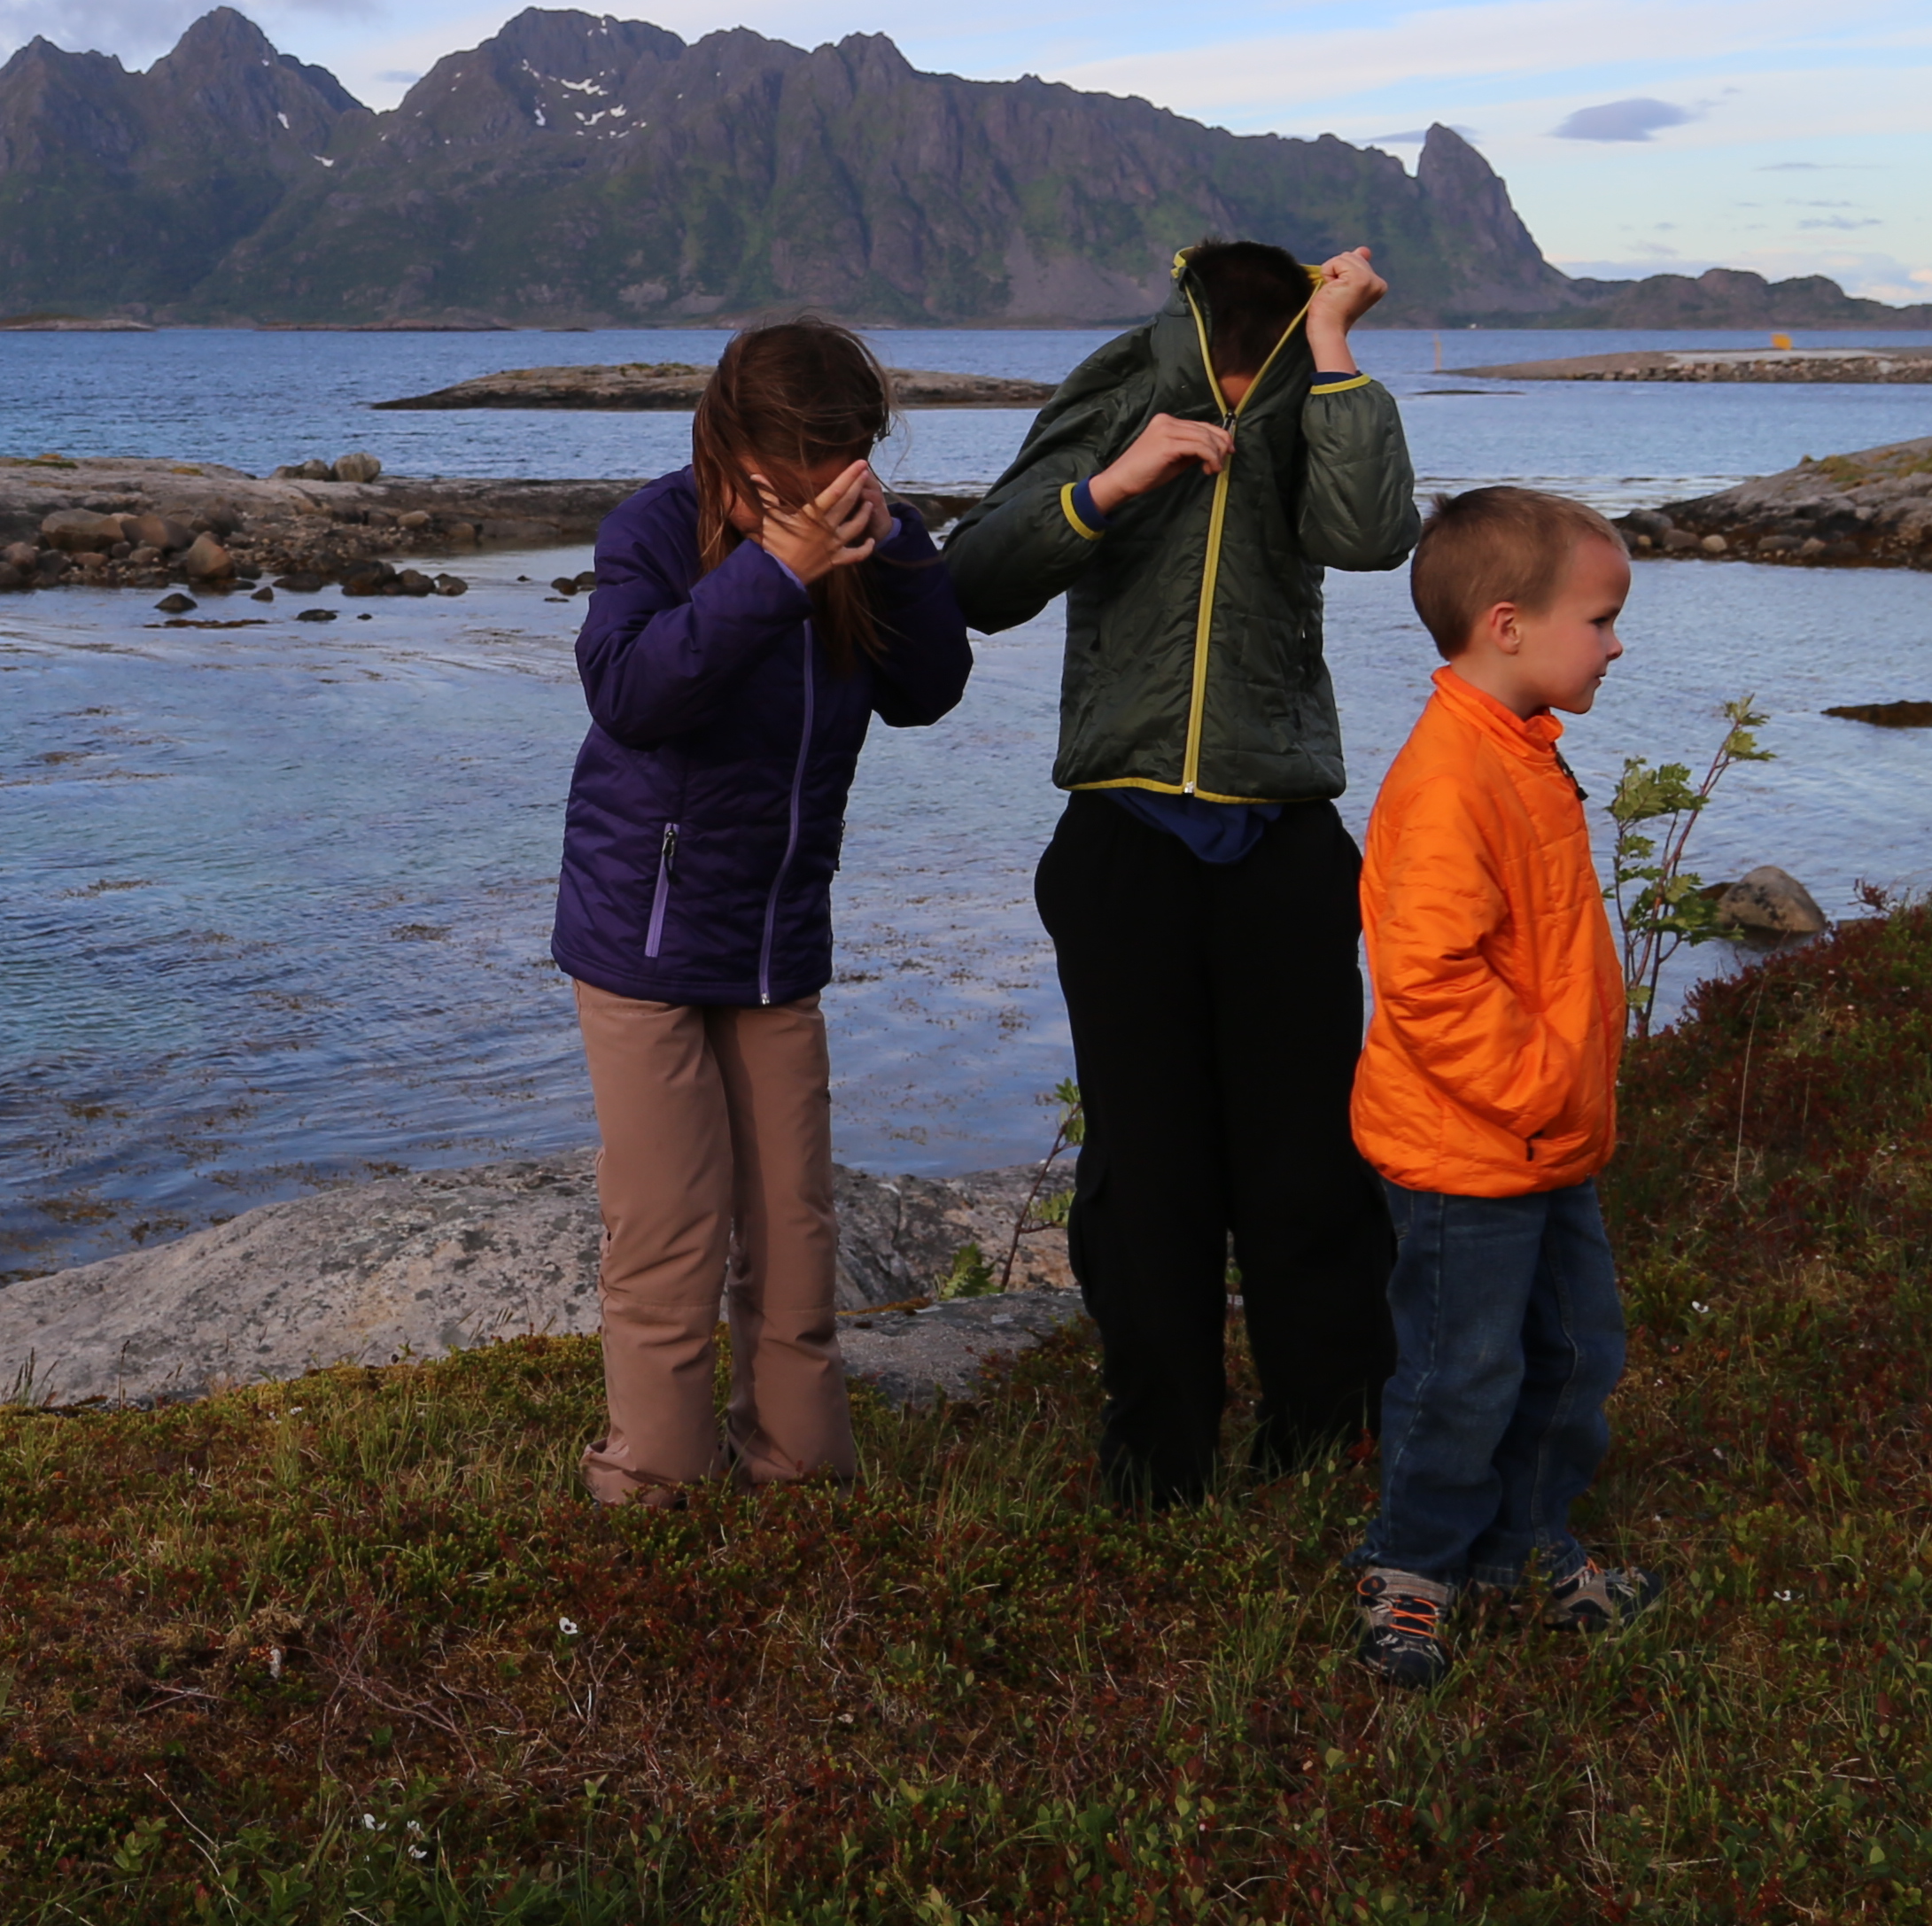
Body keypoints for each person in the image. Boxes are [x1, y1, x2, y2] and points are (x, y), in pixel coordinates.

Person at [949, 239, 1417, 1506]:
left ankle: (1326, 1435)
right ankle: (1158, 1461)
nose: (1239, 363)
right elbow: (973, 579)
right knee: (1144, 1173)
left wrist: (1331, 356)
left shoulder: (1314, 397)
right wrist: (1116, 483)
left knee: (1310, 1162)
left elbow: (1374, 538)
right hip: (1124, 841)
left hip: (1285, 839)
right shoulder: (1118, 384)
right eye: (1245, 341)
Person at [550, 315, 976, 1508]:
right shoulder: (650, 530)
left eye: (842, 467)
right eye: (793, 475)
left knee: (794, 1231)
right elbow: (631, 693)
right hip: (643, 940)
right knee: (671, 1230)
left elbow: (929, 690)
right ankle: (653, 1482)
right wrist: (771, 574)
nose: (818, 494)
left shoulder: (867, 538)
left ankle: (799, 1473)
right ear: (733, 444)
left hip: (777, 937)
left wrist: (888, 546)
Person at [1343, 484, 1672, 1685]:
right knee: (1461, 1370)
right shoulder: (1447, 781)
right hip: (1470, 1151)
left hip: (1544, 1141)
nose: (1617, 643)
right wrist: (1546, 1086)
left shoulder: (1523, 753)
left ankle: (1526, 1548)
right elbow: (1428, 984)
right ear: (1507, 624)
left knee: (1576, 1349)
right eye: (1601, 617)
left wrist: (1568, 1099)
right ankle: (1411, 1569)